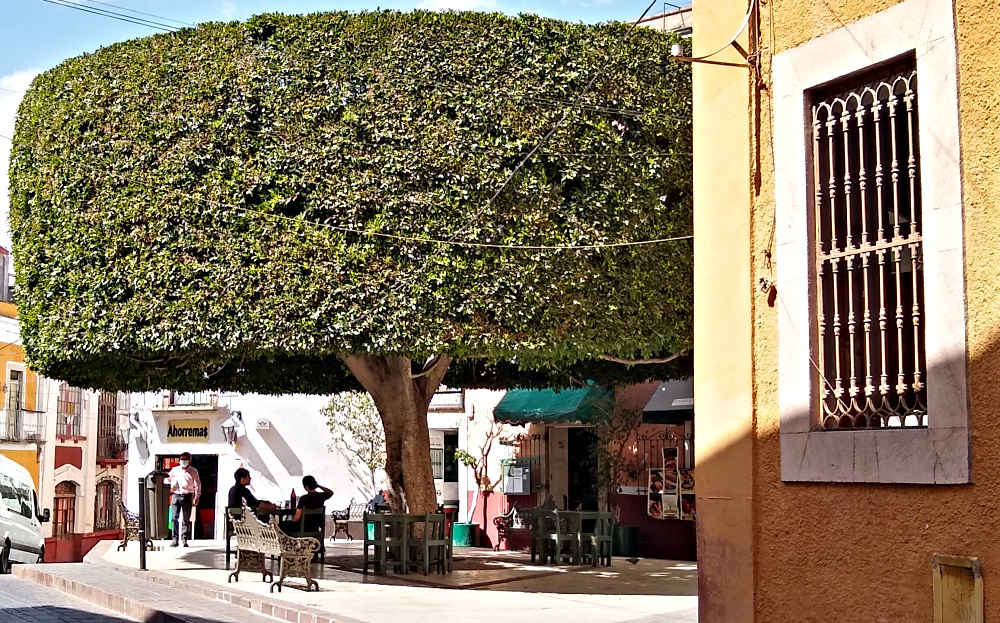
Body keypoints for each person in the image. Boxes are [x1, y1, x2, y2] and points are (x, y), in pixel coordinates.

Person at [168, 452, 201, 547]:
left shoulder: (193, 471)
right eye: (182, 459)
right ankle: (175, 539)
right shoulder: (175, 470)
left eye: (185, 459)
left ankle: (184, 539)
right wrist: (170, 485)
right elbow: (167, 479)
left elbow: (197, 485)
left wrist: (196, 497)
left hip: (187, 496)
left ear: (189, 460)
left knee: (186, 519)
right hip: (176, 495)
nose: (183, 461)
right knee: (174, 518)